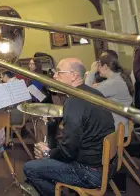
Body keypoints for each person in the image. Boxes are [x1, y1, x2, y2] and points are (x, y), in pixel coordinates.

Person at [23, 58, 116, 196]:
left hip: (89, 172)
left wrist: (47, 153)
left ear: (73, 76)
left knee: (29, 168)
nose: (54, 76)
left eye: (59, 72)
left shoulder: (74, 102)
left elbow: (68, 152)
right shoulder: (94, 93)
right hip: (108, 165)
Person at [85, 50, 133, 137]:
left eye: (98, 66)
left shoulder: (113, 83)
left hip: (116, 132)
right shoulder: (117, 78)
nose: (97, 69)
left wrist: (91, 72)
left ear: (105, 66)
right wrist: (98, 85)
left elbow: (86, 93)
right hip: (119, 126)